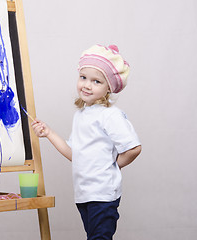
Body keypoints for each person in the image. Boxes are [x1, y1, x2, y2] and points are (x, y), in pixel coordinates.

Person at [31, 44, 142, 240]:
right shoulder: (81, 115)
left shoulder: (110, 115)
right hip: (84, 193)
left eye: (96, 81)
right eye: (83, 77)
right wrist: (49, 133)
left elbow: (133, 148)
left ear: (109, 88)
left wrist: (112, 165)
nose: (87, 85)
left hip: (103, 193)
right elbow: (74, 154)